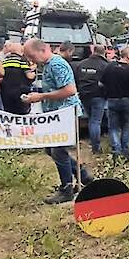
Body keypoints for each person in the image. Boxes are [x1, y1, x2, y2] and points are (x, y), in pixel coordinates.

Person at [22, 39, 93, 204]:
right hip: (57, 114)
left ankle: (66, 189)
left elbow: (69, 90)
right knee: (51, 149)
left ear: (42, 50)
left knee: (58, 151)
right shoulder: (47, 65)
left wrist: (41, 97)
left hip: (66, 114)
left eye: (32, 56)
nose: (32, 61)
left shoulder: (56, 64)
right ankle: (82, 174)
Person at [100, 46, 129, 159]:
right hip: (127, 100)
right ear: (128, 57)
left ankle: (116, 150)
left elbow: (101, 83)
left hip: (112, 100)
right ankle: (125, 151)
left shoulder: (109, 67)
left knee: (113, 127)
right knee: (126, 127)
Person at [75, 45, 110, 154]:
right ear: (104, 53)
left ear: (93, 51)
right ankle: (96, 147)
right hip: (98, 95)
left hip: (84, 95)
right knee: (95, 121)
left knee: (91, 119)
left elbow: (76, 79)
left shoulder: (81, 64)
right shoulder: (105, 65)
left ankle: (93, 143)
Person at [0, 42, 36, 115]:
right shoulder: (21, 61)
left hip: (5, 92)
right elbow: (29, 76)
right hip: (20, 92)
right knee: (21, 113)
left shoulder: (4, 62)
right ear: (22, 52)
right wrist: (33, 73)